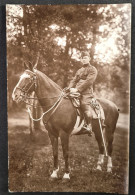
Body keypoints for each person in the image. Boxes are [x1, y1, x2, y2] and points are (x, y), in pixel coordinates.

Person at [68, 51, 97, 136]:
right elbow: (74, 80)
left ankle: (88, 126)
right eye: (82, 58)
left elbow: (89, 81)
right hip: (76, 91)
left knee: (84, 104)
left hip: (86, 93)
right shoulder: (79, 70)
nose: (83, 59)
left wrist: (77, 89)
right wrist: (69, 88)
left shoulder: (93, 69)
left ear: (89, 58)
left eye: (85, 58)